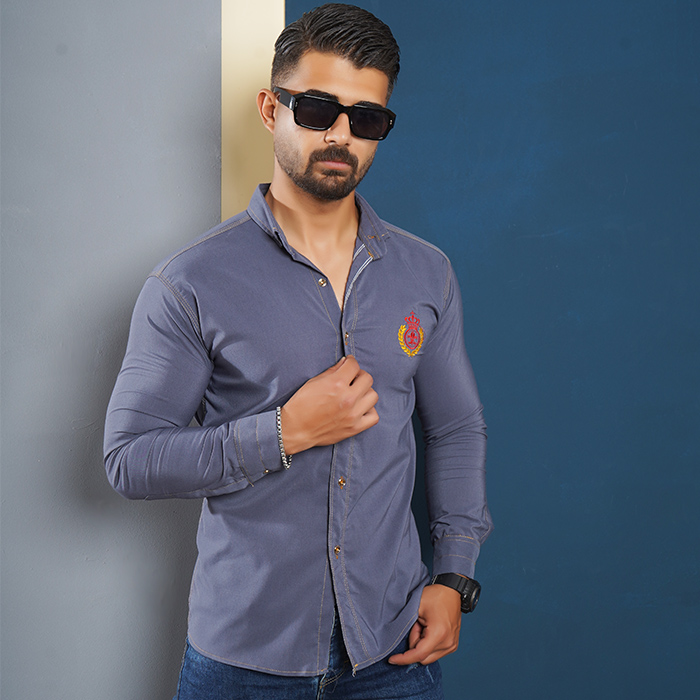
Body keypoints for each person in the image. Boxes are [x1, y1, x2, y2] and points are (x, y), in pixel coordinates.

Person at [104, 4, 492, 698]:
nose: (341, 135)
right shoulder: (189, 283)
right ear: (270, 108)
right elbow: (129, 459)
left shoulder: (425, 272)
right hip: (244, 663)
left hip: (393, 651)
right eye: (316, 109)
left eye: (366, 119)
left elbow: (455, 427)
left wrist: (454, 574)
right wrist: (285, 432)